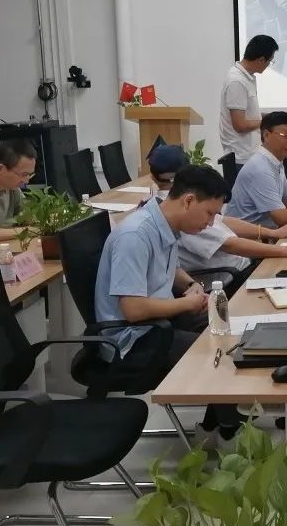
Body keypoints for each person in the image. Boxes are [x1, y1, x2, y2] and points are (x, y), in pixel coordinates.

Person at [95, 164, 242, 438]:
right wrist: (186, 304)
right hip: (131, 340)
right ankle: (230, 433)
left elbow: (169, 269)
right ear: (188, 201)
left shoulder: (165, 224)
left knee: (228, 331)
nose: (211, 223)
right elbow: (133, 309)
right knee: (219, 354)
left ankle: (216, 427)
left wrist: (191, 285)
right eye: (209, 213)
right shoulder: (135, 235)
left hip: (158, 322)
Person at [146, 145, 287, 295]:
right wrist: (284, 250)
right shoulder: (184, 210)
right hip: (232, 278)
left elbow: (223, 220)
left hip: (242, 266)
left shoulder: (172, 202)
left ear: (153, 177)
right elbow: (230, 244)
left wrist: (273, 233)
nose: (211, 221)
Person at [219, 35, 279, 164]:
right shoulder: (237, 81)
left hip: (248, 154)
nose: (269, 65)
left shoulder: (247, 78)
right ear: (261, 59)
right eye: (270, 61)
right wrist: (266, 122)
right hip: (241, 157)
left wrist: (268, 116)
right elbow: (239, 125)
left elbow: (247, 113)